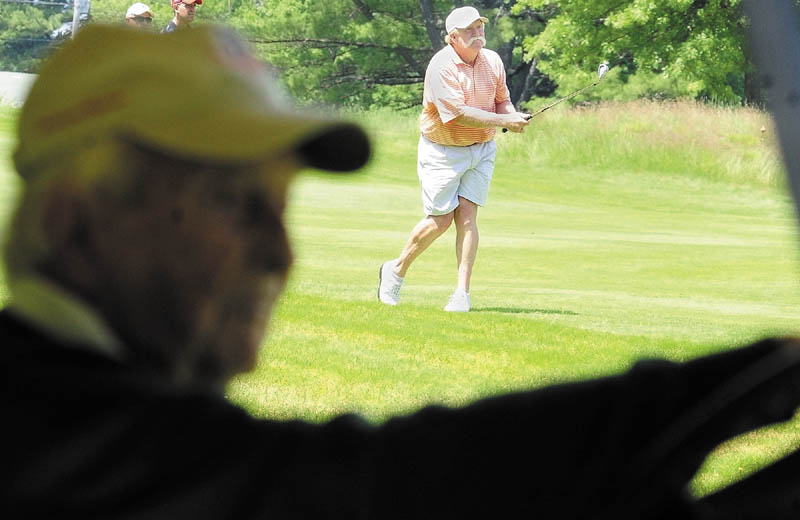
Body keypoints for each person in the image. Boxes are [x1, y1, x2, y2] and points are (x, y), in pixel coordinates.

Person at [2, 23, 800, 520]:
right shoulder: (63, 431)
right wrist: (712, 396)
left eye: (281, 209)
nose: (282, 255)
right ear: (78, 216)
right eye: (237, 206)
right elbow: (363, 487)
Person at [377, 6, 530, 312]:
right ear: (452, 38)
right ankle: (395, 270)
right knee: (441, 220)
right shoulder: (441, 67)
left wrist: (511, 116)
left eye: (480, 28)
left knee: (468, 217)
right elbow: (459, 114)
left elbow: (502, 100)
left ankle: (462, 293)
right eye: (469, 30)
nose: (477, 34)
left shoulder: (493, 61)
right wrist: (503, 121)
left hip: (482, 149)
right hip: (442, 150)